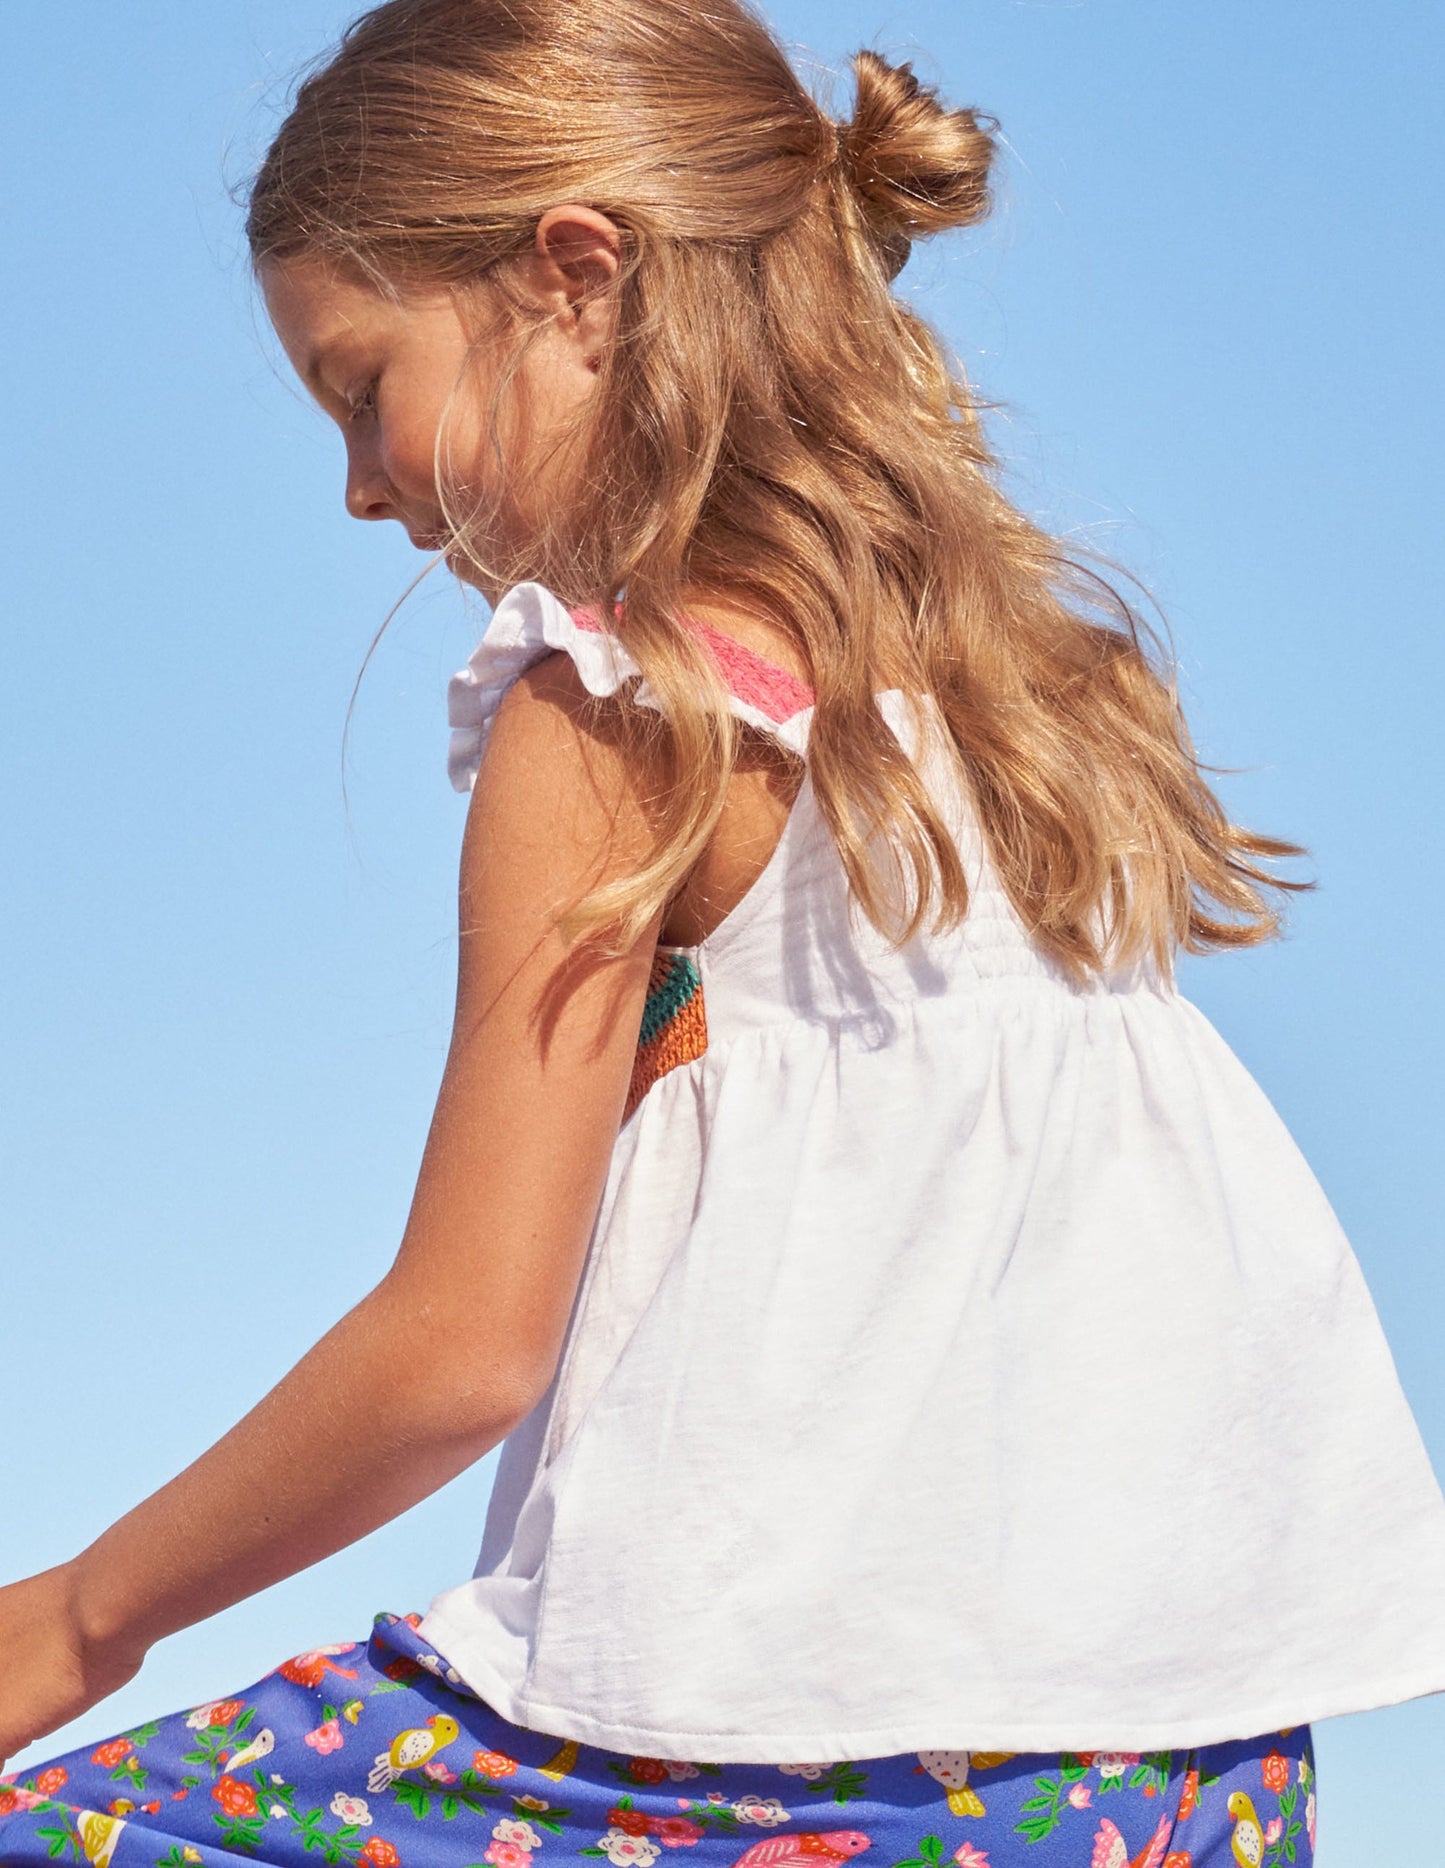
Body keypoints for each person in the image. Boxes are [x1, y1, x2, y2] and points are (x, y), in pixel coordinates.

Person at [4, 0, 1445, 1862]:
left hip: (731, 1748)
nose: (360, 482)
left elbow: (463, 1344)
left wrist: (72, 1619)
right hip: (1179, 1768)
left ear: (576, 278)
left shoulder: (618, 704)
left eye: (361, 385)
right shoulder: (1037, 704)